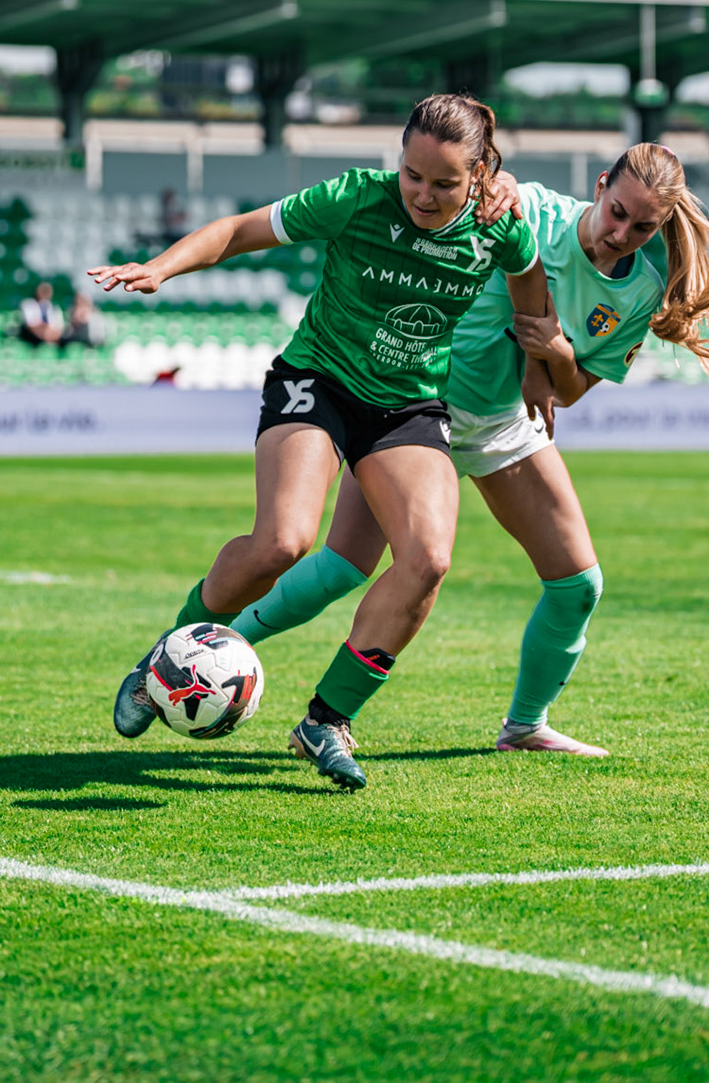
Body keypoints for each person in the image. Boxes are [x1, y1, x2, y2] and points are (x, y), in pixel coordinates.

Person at [231, 143, 709, 755]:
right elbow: (480, 186)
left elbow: (570, 393)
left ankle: (524, 727)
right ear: (600, 186)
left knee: (579, 585)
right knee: (339, 570)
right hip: (409, 410)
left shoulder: (639, 292)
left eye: (644, 227)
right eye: (618, 212)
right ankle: (214, 644)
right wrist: (503, 185)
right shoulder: (534, 211)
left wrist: (557, 354)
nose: (623, 233)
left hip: (498, 425)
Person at [89, 94, 546, 791]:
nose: (423, 194)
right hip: (319, 381)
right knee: (281, 544)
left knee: (427, 559)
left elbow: (532, 298)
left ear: (481, 174)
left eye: (445, 182)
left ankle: (327, 721)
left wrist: (542, 369)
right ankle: (162, 665)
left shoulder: (504, 229)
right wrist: (164, 267)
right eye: (412, 174)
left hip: (408, 406)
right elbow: (240, 231)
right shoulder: (354, 199)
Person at [17, 281, 67, 347]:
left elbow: (59, 329)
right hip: (32, 338)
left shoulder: (55, 308)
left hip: (51, 338)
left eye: (47, 290)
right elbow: (31, 326)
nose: (45, 292)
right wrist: (45, 334)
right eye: (43, 290)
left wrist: (50, 335)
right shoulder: (28, 304)